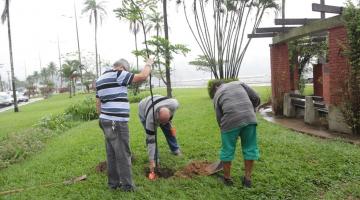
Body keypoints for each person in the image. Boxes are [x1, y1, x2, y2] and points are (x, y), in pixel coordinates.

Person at [96, 58, 153, 191]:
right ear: (122, 67)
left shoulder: (100, 78)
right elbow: (143, 76)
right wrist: (149, 63)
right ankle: (128, 186)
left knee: (111, 154)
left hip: (105, 120)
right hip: (117, 122)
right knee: (123, 154)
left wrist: (104, 119)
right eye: (127, 71)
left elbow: (98, 103)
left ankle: (113, 184)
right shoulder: (119, 74)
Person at [211, 81, 260, 188]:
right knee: (250, 148)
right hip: (250, 118)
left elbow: (219, 116)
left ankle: (227, 179)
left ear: (217, 87)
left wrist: (226, 131)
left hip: (229, 122)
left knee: (227, 149)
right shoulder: (239, 83)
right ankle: (247, 179)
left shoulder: (217, 94)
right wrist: (250, 111)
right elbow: (256, 98)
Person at [138, 95, 181, 180]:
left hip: (158, 101)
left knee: (168, 129)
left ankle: (175, 150)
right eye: (161, 122)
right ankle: (155, 159)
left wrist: (167, 122)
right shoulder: (150, 120)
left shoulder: (174, 104)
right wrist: (151, 161)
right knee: (151, 136)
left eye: (165, 121)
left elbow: (166, 120)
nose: (162, 124)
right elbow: (151, 140)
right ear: (157, 117)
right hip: (143, 108)